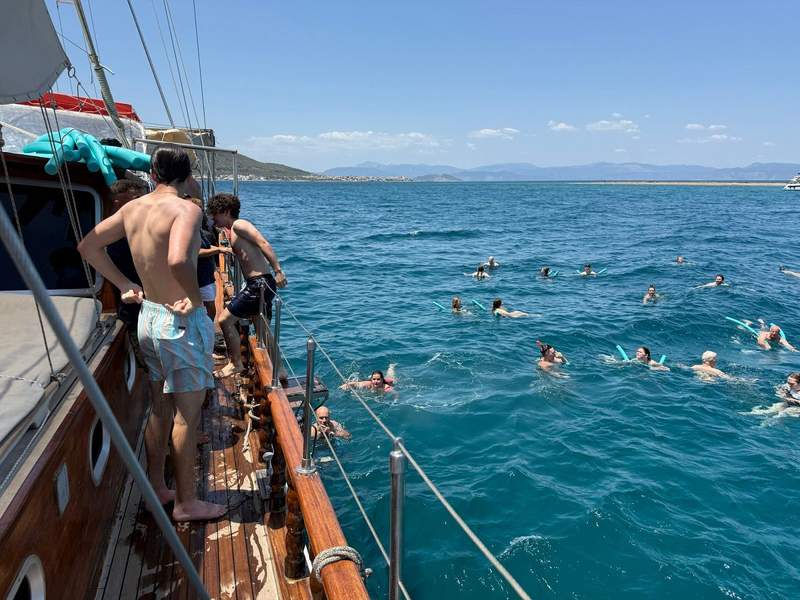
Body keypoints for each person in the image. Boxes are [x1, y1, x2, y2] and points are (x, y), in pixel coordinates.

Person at [78, 146, 224, 521]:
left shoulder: (132, 208)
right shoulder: (186, 210)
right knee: (187, 418)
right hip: (179, 322)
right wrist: (193, 299)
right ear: (186, 175)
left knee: (159, 411)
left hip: (149, 317)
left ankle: (157, 487)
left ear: (154, 174)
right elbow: (177, 260)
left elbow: (88, 246)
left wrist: (124, 282)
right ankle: (187, 504)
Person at [207, 193, 287, 378]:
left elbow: (263, 242)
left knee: (225, 320)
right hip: (259, 284)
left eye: (215, 214)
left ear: (226, 211)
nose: (213, 218)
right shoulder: (230, 230)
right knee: (263, 329)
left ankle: (236, 364)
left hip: (258, 284)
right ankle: (280, 370)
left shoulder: (239, 225)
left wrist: (278, 270)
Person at [105, 179, 149, 364]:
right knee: (146, 359)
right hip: (131, 302)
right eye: (135, 198)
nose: (140, 203)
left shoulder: (133, 226)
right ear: (118, 202)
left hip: (145, 298)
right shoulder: (112, 230)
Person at [185, 197, 232, 320]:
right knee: (209, 308)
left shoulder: (198, 230)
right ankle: (204, 331)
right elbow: (194, 252)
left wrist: (220, 249)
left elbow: (205, 246)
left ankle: (205, 330)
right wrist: (219, 249)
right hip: (198, 277)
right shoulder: (188, 231)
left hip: (206, 275)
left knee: (209, 308)